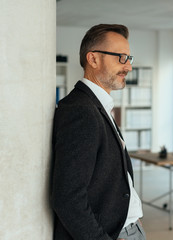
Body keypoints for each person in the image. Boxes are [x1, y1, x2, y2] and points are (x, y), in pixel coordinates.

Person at [51, 24, 145, 240]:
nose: (128, 67)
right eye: (121, 58)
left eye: (129, 58)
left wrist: (133, 214)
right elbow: (67, 198)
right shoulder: (81, 111)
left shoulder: (97, 105)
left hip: (128, 228)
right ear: (93, 59)